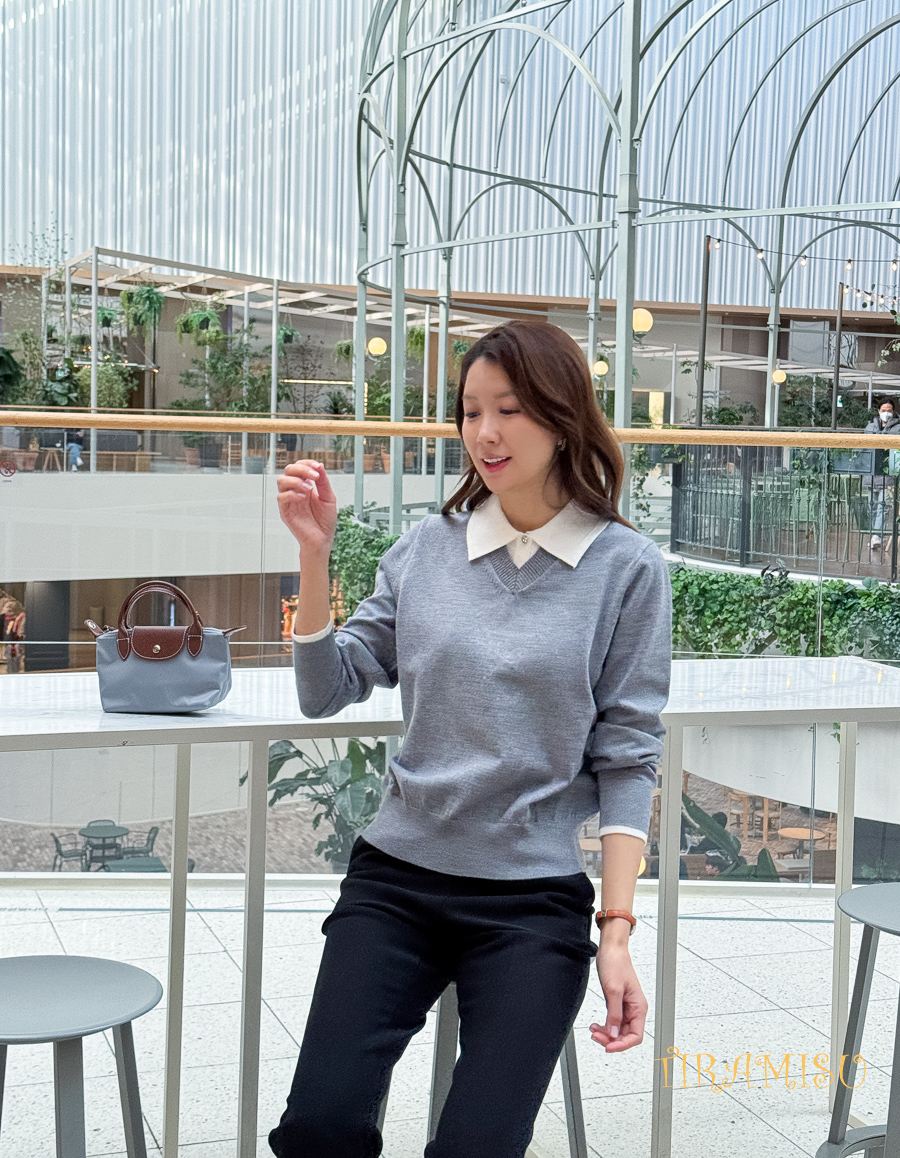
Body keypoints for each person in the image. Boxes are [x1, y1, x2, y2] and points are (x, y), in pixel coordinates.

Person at [270, 319, 672, 1158]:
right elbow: (324, 690)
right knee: (318, 1129)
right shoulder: (425, 550)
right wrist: (314, 558)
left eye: (510, 409)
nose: (485, 432)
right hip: (397, 880)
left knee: (477, 1146)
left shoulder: (627, 569)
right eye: (470, 411)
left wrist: (617, 932)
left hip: (531, 900)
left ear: (563, 417)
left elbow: (629, 755)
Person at [864, 399, 900, 550]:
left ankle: (876, 536)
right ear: (878, 411)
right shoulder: (870, 427)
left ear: (893, 411)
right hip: (871, 475)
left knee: (883, 507)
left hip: (888, 476)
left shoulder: (898, 428)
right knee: (871, 507)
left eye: (889, 410)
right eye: (883, 410)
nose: (886, 413)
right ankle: (876, 534)